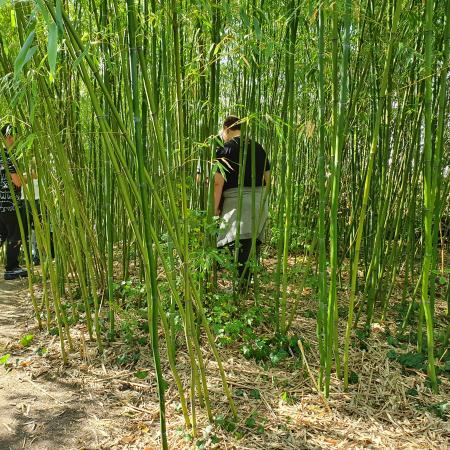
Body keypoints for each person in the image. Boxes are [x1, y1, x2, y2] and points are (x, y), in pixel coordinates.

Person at [214, 116, 271, 290]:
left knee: (233, 245)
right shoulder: (259, 148)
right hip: (259, 199)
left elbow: (218, 182)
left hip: (237, 201)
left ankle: (237, 289)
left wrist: (214, 207)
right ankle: (242, 287)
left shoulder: (224, 149)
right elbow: (268, 179)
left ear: (226, 129)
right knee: (248, 246)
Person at [0, 124, 28, 280]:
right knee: (15, 234)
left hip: (0, 204)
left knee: (1, 234)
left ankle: (12, 267)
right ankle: (11, 268)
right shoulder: (9, 156)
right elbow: (17, 182)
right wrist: (30, 176)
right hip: (10, 203)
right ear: (9, 137)